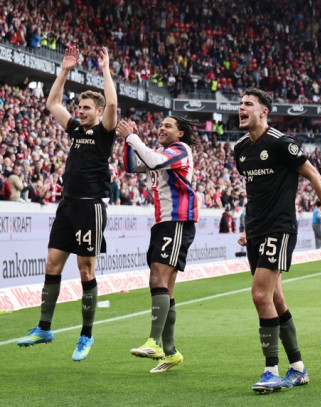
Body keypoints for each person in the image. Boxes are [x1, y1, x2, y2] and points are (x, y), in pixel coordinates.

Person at [234, 87, 321, 393]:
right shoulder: (240, 150)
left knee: (260, 295)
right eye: (240, 104)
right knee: (276, 299)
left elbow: (313, 175)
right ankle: (298, 368)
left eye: (248, 104)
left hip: (279, 228)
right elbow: (255, 192)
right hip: (256, 230)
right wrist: (247, 228)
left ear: (263, 112)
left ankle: (271, 370)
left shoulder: (281, 143)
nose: (241, 108)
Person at [17, 45, 117, 362]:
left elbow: (113, 102)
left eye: (86, 107)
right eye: (80, 107)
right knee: (52, 265)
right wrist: (64, 71)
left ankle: (86, 335)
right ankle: (44, 328)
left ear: (98, 111)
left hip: (90, 208)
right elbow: (53, 103)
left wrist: (105, 70)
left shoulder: (104, 132)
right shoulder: (74, 128)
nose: (80, 111)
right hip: (67, 206)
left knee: (86, 271)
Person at [118, 116, 199, 373]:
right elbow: (132, 166)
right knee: (166, 288)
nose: (161, 128)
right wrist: (128, 142)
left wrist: (132, 137)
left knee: (157, 278)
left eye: (168, 126)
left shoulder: (180, 150)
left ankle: (154, 342)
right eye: (160, 125)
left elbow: (153, 161)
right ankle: (171, 352)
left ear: (181, 133)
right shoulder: (161, 154)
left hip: (177, 221)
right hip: (163, 223)